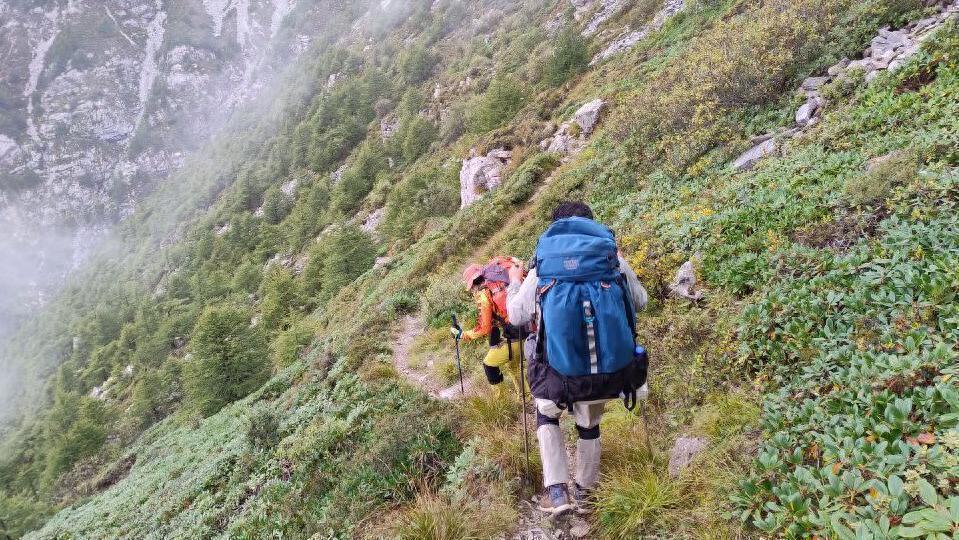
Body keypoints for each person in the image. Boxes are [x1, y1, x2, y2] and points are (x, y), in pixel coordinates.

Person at [506, 201, 648, 516]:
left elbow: (515, 315)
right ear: (592, 226)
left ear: (555, 229)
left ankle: (557, 493)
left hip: (558, 375)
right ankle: (586, 492)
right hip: (609, 374)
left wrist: (515, 280)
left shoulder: (544, 264)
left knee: (547, 414)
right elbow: (641, 302)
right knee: (589, 422)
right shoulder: (611, 259)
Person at [452, 260, 525, 395]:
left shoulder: (484, 293)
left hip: (518, 334)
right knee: (513, 365)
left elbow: (484, 328)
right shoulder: (501, 281)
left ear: (473, 284)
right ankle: (525, 396)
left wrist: (463, 334)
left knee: (489, 364)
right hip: (533, 328)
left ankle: (500, 401)